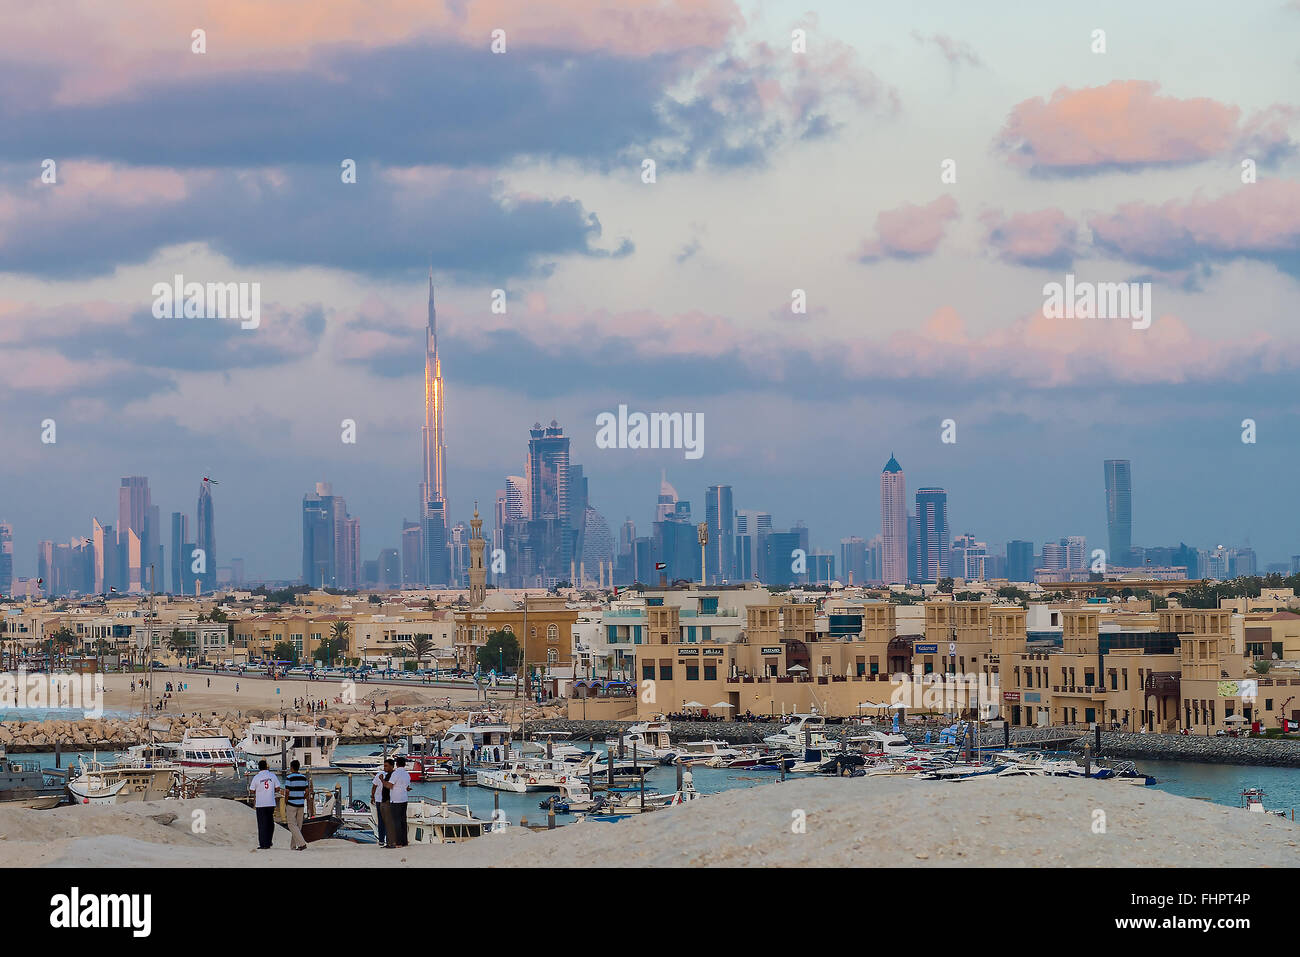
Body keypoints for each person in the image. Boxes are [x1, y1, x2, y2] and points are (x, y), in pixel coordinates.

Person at [248, 759, 282, 850]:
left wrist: (258, 790)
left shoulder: (256, 777)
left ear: (259, 768)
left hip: (261, 804)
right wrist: (271, 791)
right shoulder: (272, 775)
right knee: (270, 823)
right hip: (271, 803)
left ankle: (263, 844)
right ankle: (269, 841)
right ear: (267, 767)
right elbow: (278, 788)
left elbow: (251, 790)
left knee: (262, 824)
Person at [283, 760, 312, 851]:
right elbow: (307, 791)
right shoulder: (303, 778)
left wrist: (285, 801)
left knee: (291, 825)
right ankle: (293, 846)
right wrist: (302, 798)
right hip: (301, 804)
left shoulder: (289, 777)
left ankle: (302, 844)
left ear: (291, 767)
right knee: (298, 826)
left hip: (291, 803)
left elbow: (287, 791)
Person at [385, 756, 411, 847]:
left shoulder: (395, 774)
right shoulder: (407, 774)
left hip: (396, 799)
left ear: (397, 764)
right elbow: (407, 787)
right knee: (403, 820)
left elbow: (389, 786)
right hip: (404, 799)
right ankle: (404, 841)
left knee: (396, 821)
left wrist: (382, 780)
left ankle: (398, 842)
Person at [377, 759, 396, 847]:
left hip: (388, 801)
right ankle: (388, 842)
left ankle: (391, 842)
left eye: (386, 766)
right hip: (383, 800)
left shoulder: (392, 775)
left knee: (389, 823)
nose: (384, 767)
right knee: (386, 823)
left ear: (392, 766)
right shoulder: (388, 775)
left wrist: (381, 779)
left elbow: (388, 786)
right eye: (384, 766)